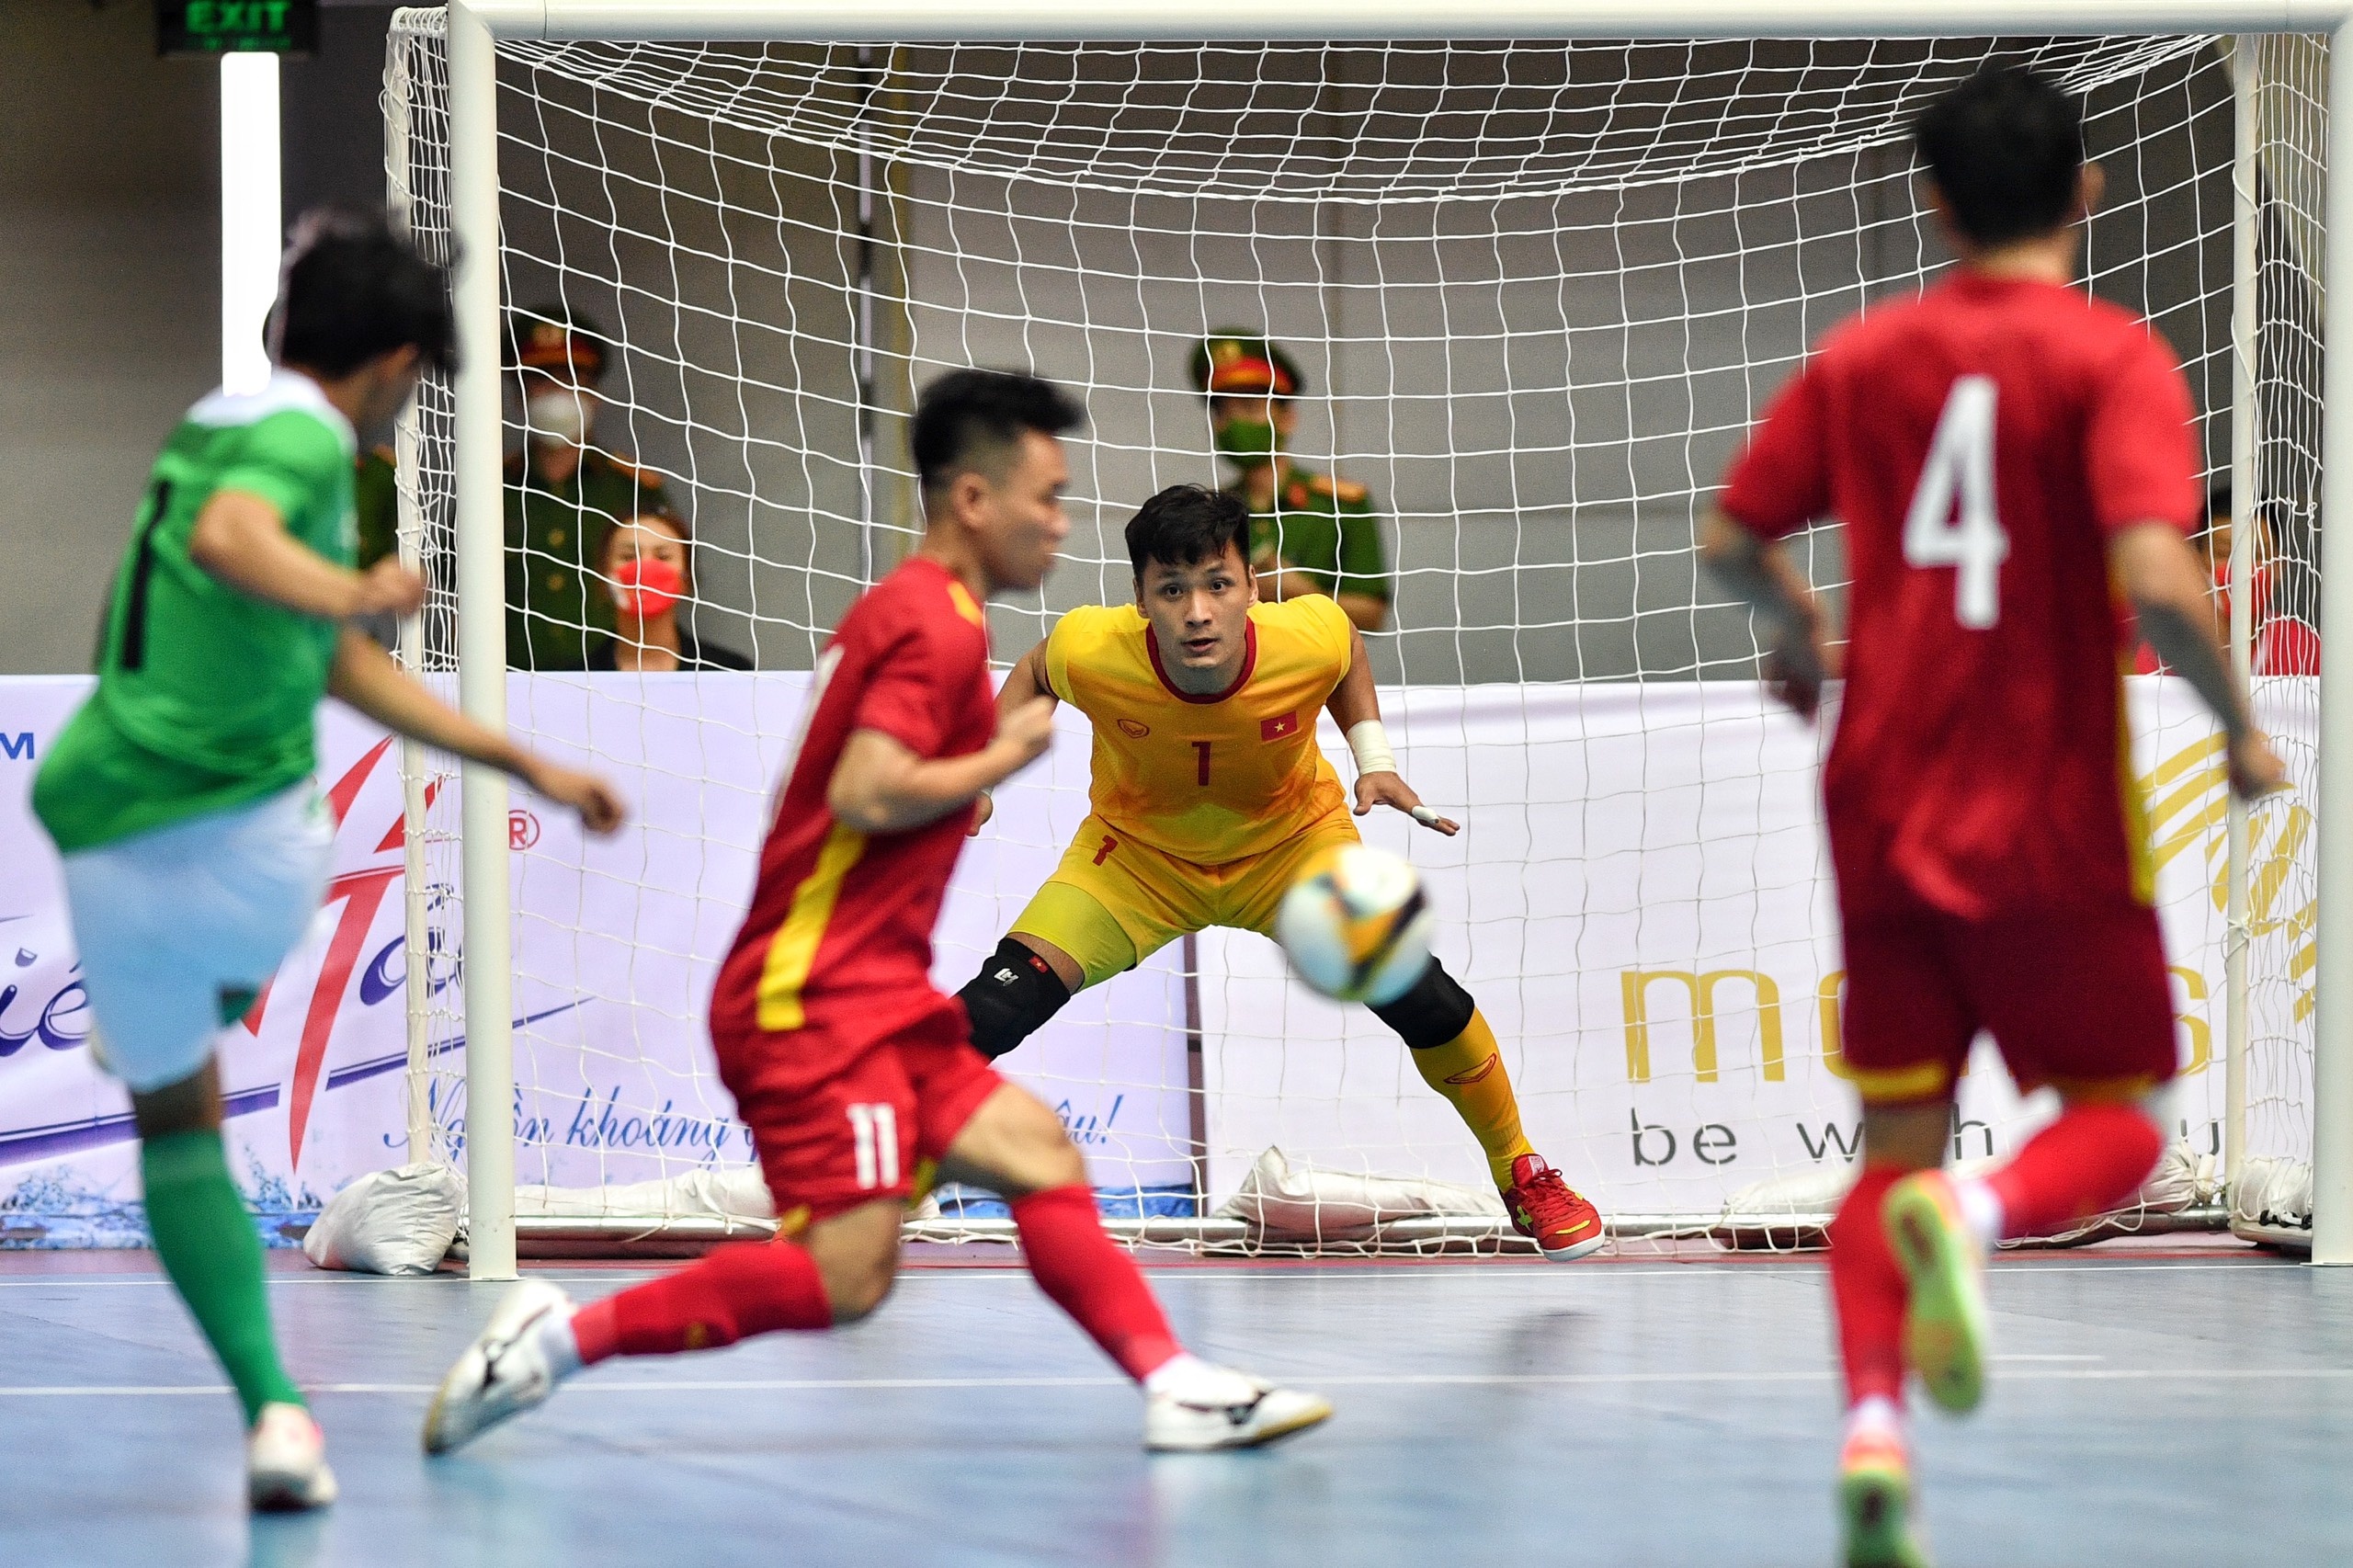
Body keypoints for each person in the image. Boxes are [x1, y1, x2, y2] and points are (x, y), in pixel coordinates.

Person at [423, 370, 1331, 1458]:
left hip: (872, 995)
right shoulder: (930, 627)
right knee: (846, 1276)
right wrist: (998, 756)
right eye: (1045, 496)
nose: (1060, 521)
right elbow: (862, 785)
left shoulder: (920, 610)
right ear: (973, 501)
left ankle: (1175, 1382)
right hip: (812, 1001)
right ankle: (552, 1343)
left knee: (1040, 1155)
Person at [1698, 67, 2285, 1568]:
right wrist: (2242, 726)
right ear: (2086, 188)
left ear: (1934, 201)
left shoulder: (1864, 356)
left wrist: (1793, 629)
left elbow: (1734, 533)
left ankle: (1874, 1434)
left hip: (1878, 793)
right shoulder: (2110, 358)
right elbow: (2160, 577)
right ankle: (1980, 1211)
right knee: (2123, 1122)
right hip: (2045, 810)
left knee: (1884, 1147)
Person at [29, 210, 628, 1511]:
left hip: (105, 814)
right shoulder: (305, 438)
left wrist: (514, 758)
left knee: (173, 1121)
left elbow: (326, 654)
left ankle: (277, 1416)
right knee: (299, 875)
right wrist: (355, 587)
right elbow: (234, 545)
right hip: (244, 836)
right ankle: (210, 988)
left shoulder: (215, 418)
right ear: (399, 362)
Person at [958, 483, 1605, 1261]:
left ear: (1250, 589)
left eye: (1217, 585)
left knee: (1417, 992)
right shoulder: (1089, 647)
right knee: (996, 1006)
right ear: (1140, 599)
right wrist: (980, 778)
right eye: (1171, 590)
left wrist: (1376, 761)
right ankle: (869, 1173)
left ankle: (1522, 1169)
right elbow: (1032, 673)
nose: (1197, 612)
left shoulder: (1308, 634)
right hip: (1135, 863)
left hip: (1292, 849)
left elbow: (1348, 653)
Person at [505, 307, 670, 669]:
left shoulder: (632, 490)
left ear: (594, 392)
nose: (559, 390)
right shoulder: (490, 493)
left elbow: (667, 589)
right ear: (519, 395)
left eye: (572, 376)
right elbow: (452, 598)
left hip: (612, 684)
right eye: (542, 378)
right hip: (509, 687)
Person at [1193, 333, 1392, 631]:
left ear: (1287, 418)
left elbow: (1372, 618)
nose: (1235, 423)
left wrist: (1299, 592)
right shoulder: (1205, 513)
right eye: (1223, 411)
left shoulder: (1340, 505)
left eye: (1249, 408)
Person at [586, 510, 753, 671]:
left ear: (686, 577)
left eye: (663, 556)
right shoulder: (576, 678)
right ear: (603, 575)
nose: (644, 568)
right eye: (629, 556)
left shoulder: (730, 672)